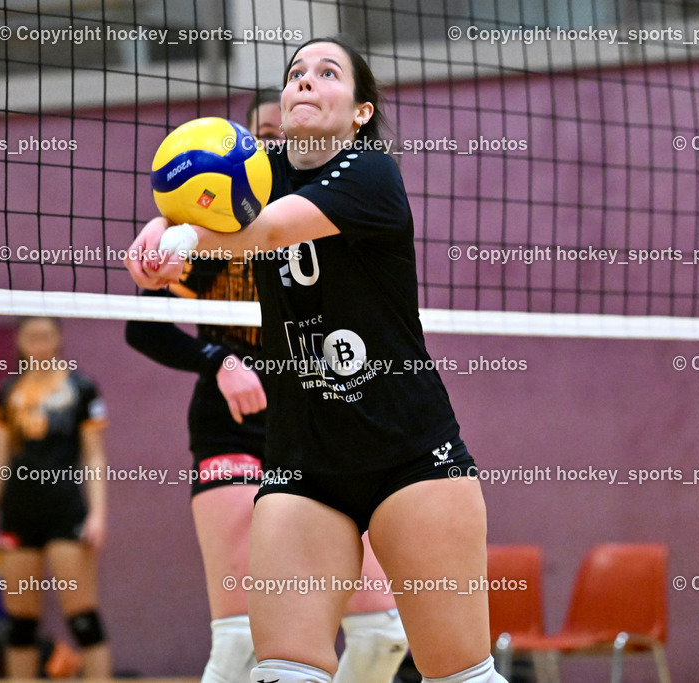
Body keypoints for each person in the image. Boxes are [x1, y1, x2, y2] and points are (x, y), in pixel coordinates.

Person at [126, 37, 506, 683]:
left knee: (457, 674)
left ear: (359, 110)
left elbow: (269, 231)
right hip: (303, 462)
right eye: (295, 72)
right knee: (281, 670)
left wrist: (184, 236)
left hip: (409, 456)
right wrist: (159, 230)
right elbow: (193, 182)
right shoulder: (263, 169)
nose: (304, 81)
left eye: (326, 73)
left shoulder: (370, 170)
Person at [124, 90, 408, 683]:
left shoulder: (336, 211)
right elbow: (142, 326)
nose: (273, 146)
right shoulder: (206, 231)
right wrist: (218, 361)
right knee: (239, 644)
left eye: (284, 136)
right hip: (234, 422)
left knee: (383, 635)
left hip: (320, 420)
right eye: (262, 137)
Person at [0, 317, 112, 678]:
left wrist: (98, 514)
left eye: (46, 335)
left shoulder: (82, 388)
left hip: (66, 510)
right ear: (18, 340)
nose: (39, 342)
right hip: (18, 512)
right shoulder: (7, 392)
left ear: (59, 338)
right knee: (20, 620)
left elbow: (94, 455)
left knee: (82, 615)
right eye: (31, 335)